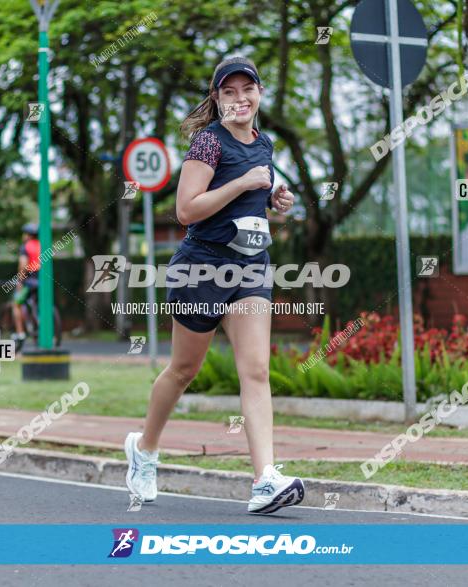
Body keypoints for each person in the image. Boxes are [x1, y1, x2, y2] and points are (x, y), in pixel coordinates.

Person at [124, 56, 301, 514]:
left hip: (250, 268)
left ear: (260, 93)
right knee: (183, 370)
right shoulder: (208, 142)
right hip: (201, 268)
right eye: (229, 92)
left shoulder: (265, 145)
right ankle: (144, 450)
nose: (240, 98)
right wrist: (243, 182)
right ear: (217, 98)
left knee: (256, 370)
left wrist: (276, 199)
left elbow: (253, 204)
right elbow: (186, 210)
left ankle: (264, 479)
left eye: (248, 89)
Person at [12, 223, 40, 349]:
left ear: (28, 235)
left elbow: (23, 266)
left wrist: (19, 281)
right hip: (43, 281)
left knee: (16, 304)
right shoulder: (43, 245)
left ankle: (21, 334)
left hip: (30, 281)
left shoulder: (26, 247)